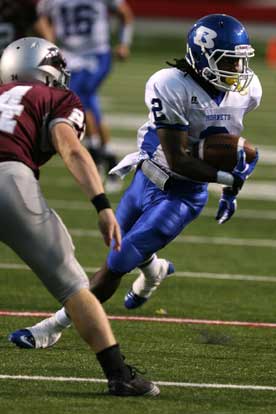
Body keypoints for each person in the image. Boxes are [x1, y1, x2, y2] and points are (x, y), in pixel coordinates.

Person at [10, 14, 261, 349]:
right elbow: (179, 159)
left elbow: (242, 153)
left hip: (181, 197)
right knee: (115, 245)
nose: (238, 69)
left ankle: (51, 327)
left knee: (116, 264)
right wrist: (227, 177)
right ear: (202, 56)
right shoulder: (170, 84)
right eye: (229, 60)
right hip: (149, 175)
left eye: (241, 60)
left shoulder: (248, 91)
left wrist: (234, 182)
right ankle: (154, 268)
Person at [1, 36, 159, 397]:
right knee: (74, 287)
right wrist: (103, 204)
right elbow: (71, 149)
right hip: (7, 181)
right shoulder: (56, 97)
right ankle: (119, 375)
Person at [35, 0, 134, 193]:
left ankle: (95, 151)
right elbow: (41, 18)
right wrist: (50, 41)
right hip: (69, 55)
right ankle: (106, 154)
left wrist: (124, 43)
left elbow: (125, 13)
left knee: (79, 99)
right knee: (88, 103)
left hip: (97, 53)